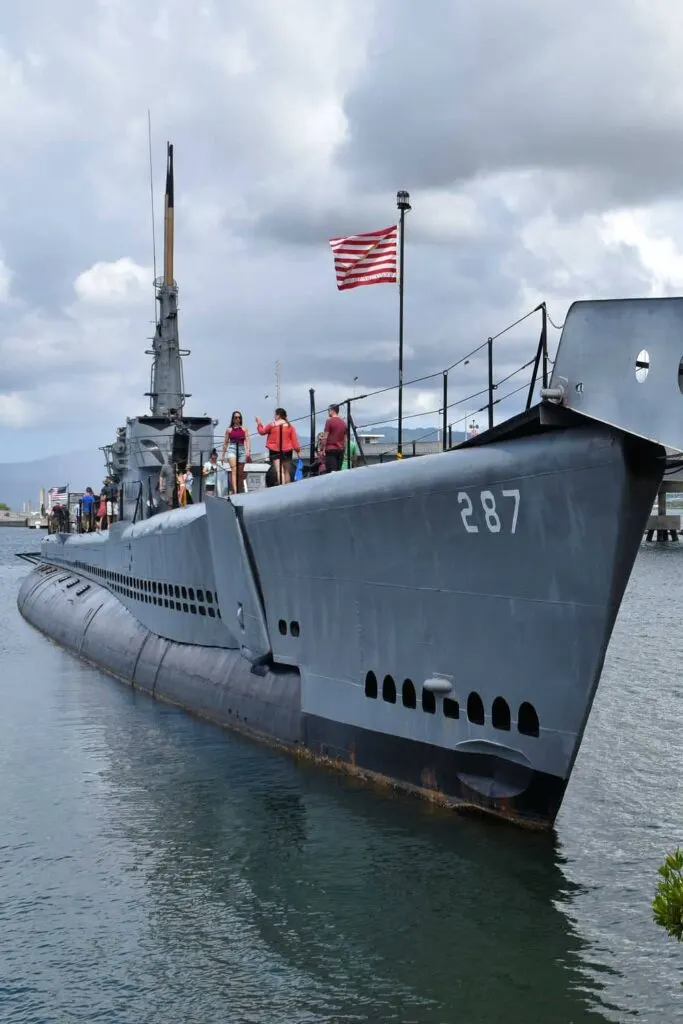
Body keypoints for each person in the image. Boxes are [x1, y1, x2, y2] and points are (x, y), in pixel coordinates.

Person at [256, 408, 300, 484]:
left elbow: (262, 432)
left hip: (274, 450)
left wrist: (259, 423)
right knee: (287, 471)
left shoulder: (272, 425)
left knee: (279, 471)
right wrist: (298, 451)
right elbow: (294, 440)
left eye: (275, 415)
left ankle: (282, 488)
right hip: (287, 450)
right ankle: (288, 489)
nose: (274, 416)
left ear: (278, 415)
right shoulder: (290, 427)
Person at [221, 410, 251, 495]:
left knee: (240, 473)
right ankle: (235, 491)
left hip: (241, 449)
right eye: (236, 417)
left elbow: (247, 440)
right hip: (232, 448)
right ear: (233, 419)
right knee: (234, 470)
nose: (237, 419)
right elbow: (225, 442)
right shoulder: (229, 430)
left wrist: (248, 451)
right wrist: (223, 455)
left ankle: (239, 489)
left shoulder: (244, 429)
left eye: (239, 417)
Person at [321, 404, 347, 473]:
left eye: (328, 410)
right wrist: (344, 450)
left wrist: (322, 449)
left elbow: (325, 437)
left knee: (331, 473)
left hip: (331, 450)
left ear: (332, 410)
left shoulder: (329, 421)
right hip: (340, 450)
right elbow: (345, 440)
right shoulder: (343, 423)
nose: (328, 412)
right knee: (338, 472)